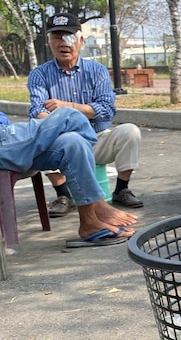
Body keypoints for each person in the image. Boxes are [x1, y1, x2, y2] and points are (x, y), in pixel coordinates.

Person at [28, 13, 145, 217]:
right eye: (57, 36)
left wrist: (65, 107)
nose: (63, 43)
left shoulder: (97, 71)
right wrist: (85, 111)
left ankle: (121, 189)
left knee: (130, 132)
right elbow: (38, 112)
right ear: (49, 42)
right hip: (63, 144)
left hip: (96, 139)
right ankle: (63, 195)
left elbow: (106, 110)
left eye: (69, 36)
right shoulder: (39, 74)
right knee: (41, 136)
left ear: (81, 40)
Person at [0, 108, 137, 247]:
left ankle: (89, 223)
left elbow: (106, 109)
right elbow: (37, 109)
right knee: (69, 115)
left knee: (74, 143)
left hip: (7, 137)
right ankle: (98, 204)